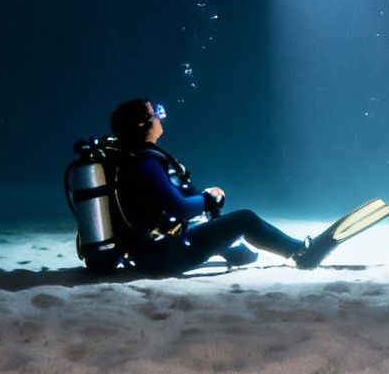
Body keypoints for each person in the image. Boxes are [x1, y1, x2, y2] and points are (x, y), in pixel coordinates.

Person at [104, 98, 353, 276]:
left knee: (217, 228)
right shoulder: (144, 161)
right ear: (142, 124)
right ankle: (301, 253)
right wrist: (208, 199)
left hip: (146, 254)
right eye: (155, 112)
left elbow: (169, 202)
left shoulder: (129, 158)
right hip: (161, 257)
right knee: (244, 218)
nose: (160, 115)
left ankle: (239, 252)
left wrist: (204, 200)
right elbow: (178, 207)